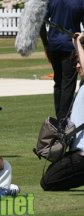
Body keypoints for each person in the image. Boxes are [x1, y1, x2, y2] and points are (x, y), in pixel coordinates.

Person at [41, 33, 84, 191]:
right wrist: (75, 42)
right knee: (50, 176)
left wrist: (79, 41)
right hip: (77, 152)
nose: (77, 66)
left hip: (82, 155)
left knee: (48, 182)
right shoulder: (82, 87)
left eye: (79, 62)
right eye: (75, 63)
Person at [40, 0, 84, 121]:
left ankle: (60, 116)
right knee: (68, 84)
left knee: (58, 82)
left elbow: (40, 21)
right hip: (70, 45)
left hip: (53, 44)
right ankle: (63, 119)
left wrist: (46, 44)